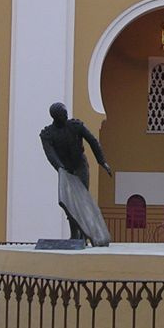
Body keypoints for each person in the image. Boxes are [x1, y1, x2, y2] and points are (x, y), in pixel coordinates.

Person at [39, 102, 112, 244]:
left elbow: (92, 141)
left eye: (66, 113)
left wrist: (101, 161)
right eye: (63, 114)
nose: (66, 116)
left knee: (81, 200)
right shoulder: (48, 134)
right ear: (56, 117)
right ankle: (74, 234)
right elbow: (50, 154)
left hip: (80, 166)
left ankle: (84, 236)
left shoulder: (75, 126)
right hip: (65, 170)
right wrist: (61, 168)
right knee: (68, 203)